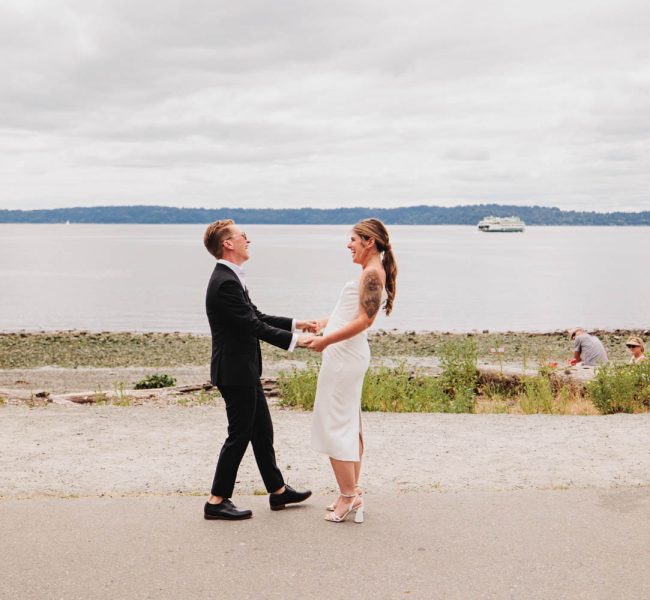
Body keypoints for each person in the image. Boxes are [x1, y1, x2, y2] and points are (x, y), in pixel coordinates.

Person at [203, 219, 317, 521]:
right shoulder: (225, 281)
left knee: (262, 432)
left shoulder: (231, 277)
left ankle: (278, 492)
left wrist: (296, 323)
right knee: (239, 435)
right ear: (228, 243)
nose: (247, 240)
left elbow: (257, 315)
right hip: (235, 373)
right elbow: (254, 326)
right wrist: (298, 342)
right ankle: (216, 501)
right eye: (243, 236)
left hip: (244, 371)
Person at [308, 218, 397, 523]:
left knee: (336, 425)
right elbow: (351, 313)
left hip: (345, 358)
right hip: (344, 356)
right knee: (348, 423)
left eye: (353, 239)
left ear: (369, 241)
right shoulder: (369, 273)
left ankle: (349, 497)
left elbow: (364, 321)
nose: (349, 245)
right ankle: (350, 490)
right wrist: (323, 322)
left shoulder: (372, 274)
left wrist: (325, 340)